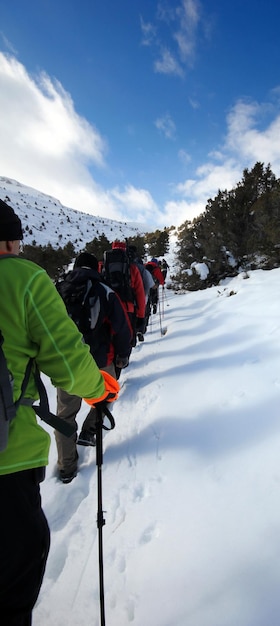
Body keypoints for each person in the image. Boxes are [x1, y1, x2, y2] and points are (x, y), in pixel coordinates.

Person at [0, 200, 119, 626]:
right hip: (8, 460)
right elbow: (66, 358)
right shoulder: (23, 278)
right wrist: (98, 388)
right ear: (11, 240)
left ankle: (68, 463)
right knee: (14, 580)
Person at [55, 252, 132, 483]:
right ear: (96, 268)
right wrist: (122, 355)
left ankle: (67, 467)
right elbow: (122, 328)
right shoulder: (104, 290)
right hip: (99, 360)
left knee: (65, 415)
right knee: (107, 395)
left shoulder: (57, 290)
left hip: (66, 363)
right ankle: (90, 431)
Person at [102, 241, 146, 347]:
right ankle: (124, 359)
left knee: (111, 338)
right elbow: (140, 293)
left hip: (109, 307)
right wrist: (141, 315)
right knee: (127, 338)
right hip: (128, 308)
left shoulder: (103, 266)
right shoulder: (132, 268)